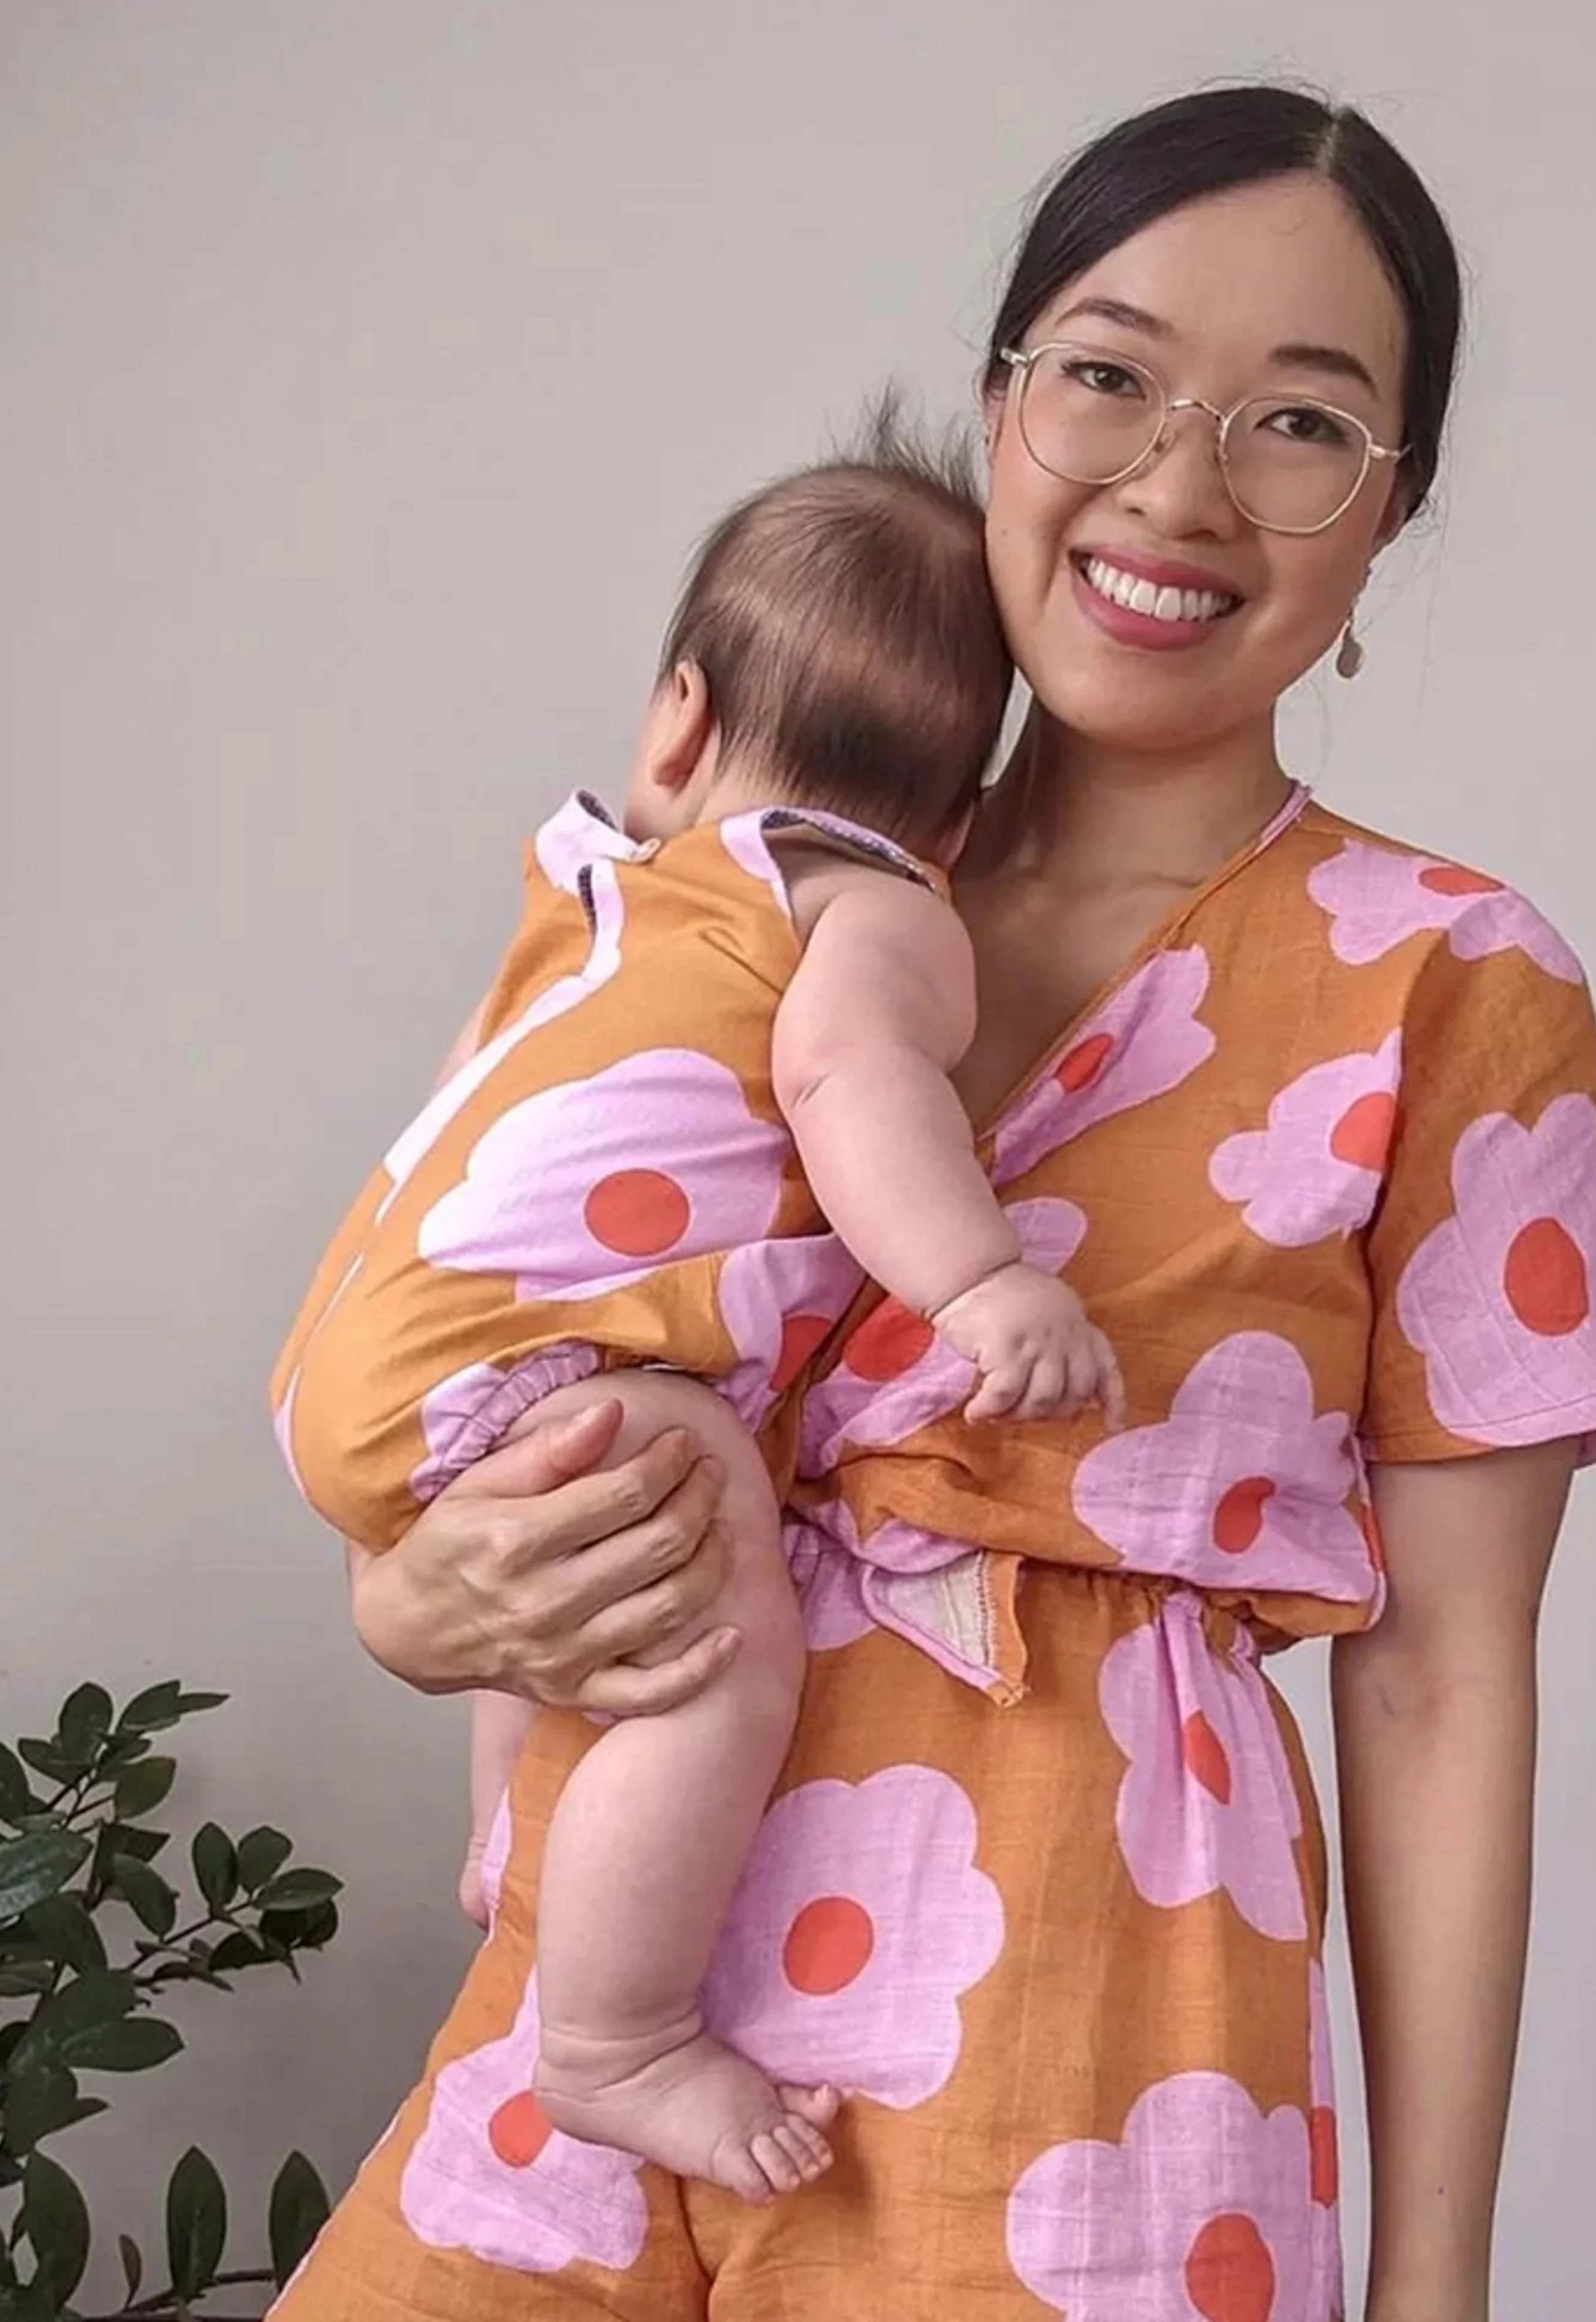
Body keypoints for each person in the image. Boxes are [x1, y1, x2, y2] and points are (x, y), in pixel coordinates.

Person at [274, 82, 1596, 2322]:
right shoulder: (752, 898)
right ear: (1003, 401)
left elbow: (1438, 1692)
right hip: (621, 2016)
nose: (1181, 485)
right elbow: (484, 1325)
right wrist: (411, 1606)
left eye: (1300, 422)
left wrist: (1435, 2288)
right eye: (1110, 374)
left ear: (1388, 513)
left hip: (1095, 2058)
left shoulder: (1451, 982)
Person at [271, 437, 1121, 2203]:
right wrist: (978, 1282)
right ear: (960, 824)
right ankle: (615, 2040)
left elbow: (463, 1128)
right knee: (712, 1604)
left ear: (679, 718)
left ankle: (510, 1833)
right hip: (520, 1362)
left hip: (364, 1340)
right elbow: (844, 1074)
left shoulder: (595, 893)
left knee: (580, 1533)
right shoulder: (863, 896)